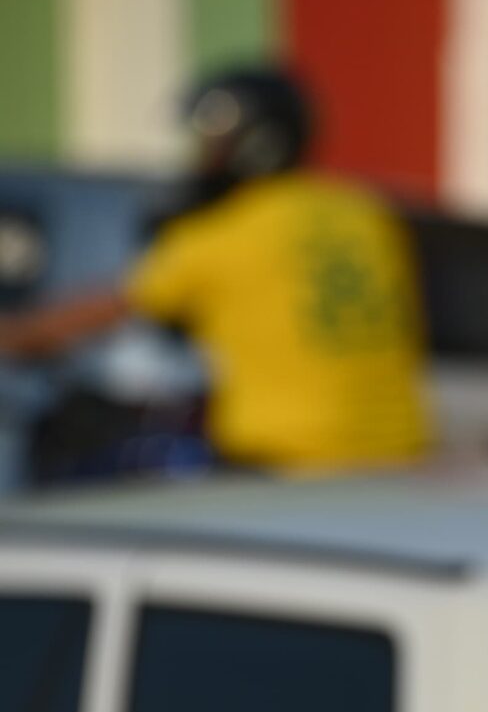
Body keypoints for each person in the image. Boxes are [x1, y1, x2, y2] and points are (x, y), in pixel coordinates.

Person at [0, 67, 433, 473]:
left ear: (253, 145)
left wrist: (15, 333)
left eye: (211, 144)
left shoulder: (221, 236)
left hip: (288, 460)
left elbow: (81, 319)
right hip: (398, 456)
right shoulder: (365, 216)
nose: (201, 158)